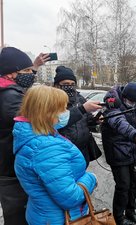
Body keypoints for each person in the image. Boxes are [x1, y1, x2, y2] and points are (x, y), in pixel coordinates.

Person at [13, 85, 97, 225]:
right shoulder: (45, 147)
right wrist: (91, 178)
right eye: (62, 109)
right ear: (47, 112)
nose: (66, 113)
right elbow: (71, 197)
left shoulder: (34, 136)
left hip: (45, 215)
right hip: (61, 219)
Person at [0, 47, 49, 225]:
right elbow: (39, 121)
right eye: (27, 71)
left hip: (9, 167)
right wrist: (81, 111)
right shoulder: (9, 97)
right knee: (17, 218)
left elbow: (22, 85)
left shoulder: (8, 90)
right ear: (11, 73)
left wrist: (34, 66)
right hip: (11, 171)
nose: (31, 74)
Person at [101, 82, 136, 225]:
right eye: (130, 101)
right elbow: (119, 122)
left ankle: (131, 211)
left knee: (135, 183)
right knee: (123, 186)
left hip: (132, 151)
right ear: (124, 95)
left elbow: (135, 110)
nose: (132, 104)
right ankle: (119, 218)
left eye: (135, 102)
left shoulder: (131, 104)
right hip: (117, 151)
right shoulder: (112, 102)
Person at [53, 65, 102, 167]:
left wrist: (95, 120)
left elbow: (87, 119)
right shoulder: (51, 101)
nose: (69, 87)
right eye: (65, 84)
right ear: (57, 85)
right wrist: (82, 109)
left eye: (72, 84)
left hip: (82, 151)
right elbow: (55, 122)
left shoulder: (79, 99)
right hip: (63, 152)